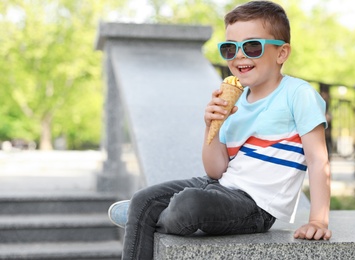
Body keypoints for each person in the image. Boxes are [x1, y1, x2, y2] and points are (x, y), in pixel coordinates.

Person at [108, 1, 332, 259]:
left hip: (255, 206)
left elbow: (318, 161)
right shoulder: (234, 101)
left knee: (188, 203)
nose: (239, 55)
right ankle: (145, 212)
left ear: (281, 53)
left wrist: (318, 220)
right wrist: (211, 127)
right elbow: (215, 170)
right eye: (230, 48)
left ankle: (148, 218)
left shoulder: (298, 94)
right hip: (218, 186)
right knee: (143, 198)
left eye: (252, 46)